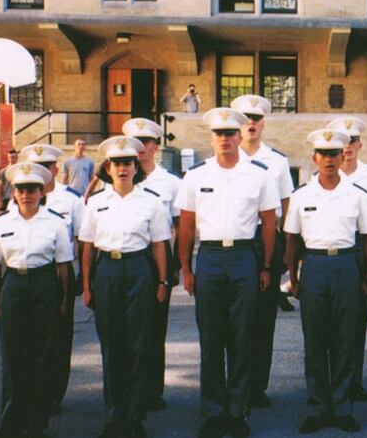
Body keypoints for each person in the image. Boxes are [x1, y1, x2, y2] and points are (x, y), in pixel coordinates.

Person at [174, 107, 278, 438]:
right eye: (219, 135)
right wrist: (186, 268)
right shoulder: (196, 175)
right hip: (210, 257)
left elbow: (270, 222)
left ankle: (237, 409)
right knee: (211, 336)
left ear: (239, 136)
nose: (225, 140)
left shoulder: (258, 173)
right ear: (212, 138)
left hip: (244, 256)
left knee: (241, 335)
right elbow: (187, 224)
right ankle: (214, 409)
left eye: (231, 134)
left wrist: (265, 266)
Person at [284, 128, 367, 434]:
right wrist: (294, 276)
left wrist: (364, 275)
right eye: (322, 154)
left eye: (334, 154)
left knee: (344, 340)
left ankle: (341, 407)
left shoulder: (357, 194)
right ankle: (317, 407)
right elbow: (292, 239)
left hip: (346, 265)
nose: (328, 160)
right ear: (314, 158)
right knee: (315, 340)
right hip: (314, 265)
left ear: (342, 156)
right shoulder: (301, 196)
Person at [79, 136, 170, 438]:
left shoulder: (151, 201)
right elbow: (88, 248)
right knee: (112, 346)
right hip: (107, 271)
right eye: (117, 163)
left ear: (136, 167)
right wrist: (88, 286)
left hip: (139, 270)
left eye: (128, 163)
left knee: (139, 344)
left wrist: (161, 281)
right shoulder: (95, 203)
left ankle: (134, 418)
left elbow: (159, 244)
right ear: (108, 168)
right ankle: (114, 416)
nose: (122, 169)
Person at [0, 162, 73, 438]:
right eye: (21, 190)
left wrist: (65, 300)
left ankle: (35, 423)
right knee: (12, 356)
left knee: (42, 356)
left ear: (41, 191)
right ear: (14, 193)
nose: (26, 195)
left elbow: (64, 266)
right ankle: (10, 421)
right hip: (14, 286)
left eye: (32, 189)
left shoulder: (55, 222)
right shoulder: (1, 224)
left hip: (45, 285)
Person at [230, 94, 294, 409]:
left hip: (266, 240)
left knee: (263, 318)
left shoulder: (277, 161)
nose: (251, 124)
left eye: (256, 119)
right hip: (237, 243)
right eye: (245, 118)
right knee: (234, 318)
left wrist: (287, 251)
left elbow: (287, 207)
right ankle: (235, 385)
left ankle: (256, 385)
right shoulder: (226, 156)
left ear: (263, 123)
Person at [16, 143, 86, 414]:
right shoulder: (21, 196)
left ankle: (52, 394)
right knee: (27, 339)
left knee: (57, 338)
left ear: (56, 169)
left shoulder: (71, 199)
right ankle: (30, 393)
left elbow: (81, 237)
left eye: (46, 168)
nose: (42, 174)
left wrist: (79, 276)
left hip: (60, 273)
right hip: (29, 274)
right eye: (37, 169)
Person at [327, 116, 367, 402]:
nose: (349, 146)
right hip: (330, 249)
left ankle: (353, 381)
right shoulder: (322, 172)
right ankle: (330, 381)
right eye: (343, 141)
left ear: (360, 144)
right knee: (329, 322)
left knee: (355, 322)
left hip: (359, 249)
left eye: (353, 141)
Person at [122, 117, 183, 412]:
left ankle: (150, 391)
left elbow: (179, 225)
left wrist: (174, 267)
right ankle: (127, 391)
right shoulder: (117, 178)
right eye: (135, 143)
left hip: (155, 260)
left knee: (153, 329)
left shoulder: (171, 183)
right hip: (127, 259)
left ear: (156, 146)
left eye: (146, 143)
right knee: (125, 330)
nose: (140, 149)